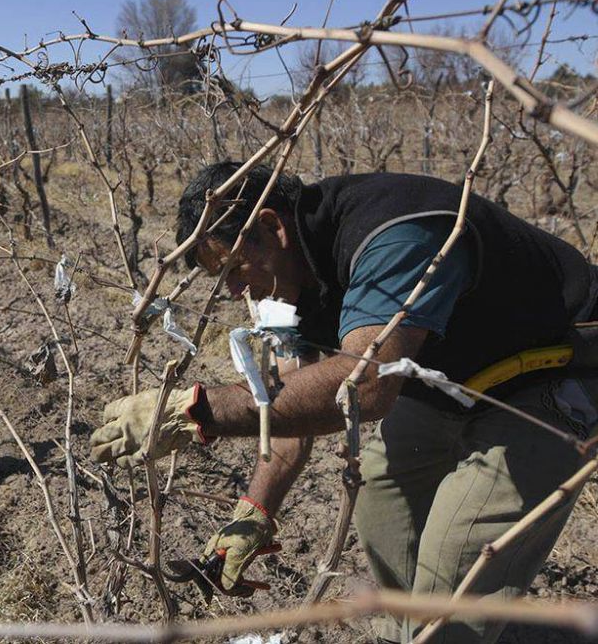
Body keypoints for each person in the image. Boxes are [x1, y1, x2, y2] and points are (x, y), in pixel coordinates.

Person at [89, 162, 598, 644]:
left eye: (234, 268)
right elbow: (291, 400)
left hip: (553, 373)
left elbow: (367, 386)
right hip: (453, 377)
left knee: (458, 563)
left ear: (271, 226)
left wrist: (195, 411)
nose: (234, 290)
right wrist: (256, 508)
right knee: (382, 493)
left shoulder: (393, 237)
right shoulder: (290, 274)